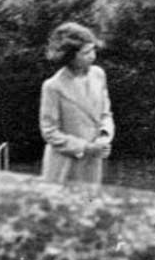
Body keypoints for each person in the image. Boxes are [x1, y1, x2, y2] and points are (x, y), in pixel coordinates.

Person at [39, 22, 114, 186]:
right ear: (70, 56)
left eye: (93, 49)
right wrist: (86, 147)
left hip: (92, 163)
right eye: (86, 52)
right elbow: (50, 132)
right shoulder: (53, 86)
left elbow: (105, 114)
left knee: (89, 207)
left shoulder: (98, 75)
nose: (92, 56)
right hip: (64, 165)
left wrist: (103, 138)